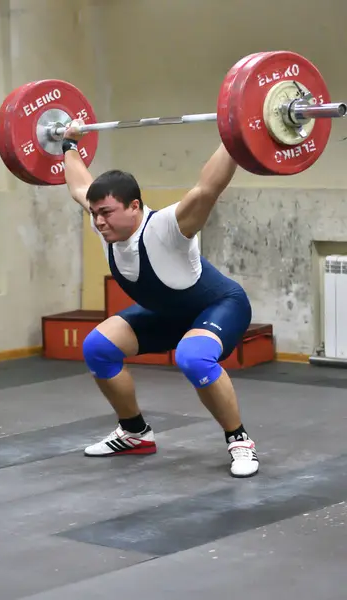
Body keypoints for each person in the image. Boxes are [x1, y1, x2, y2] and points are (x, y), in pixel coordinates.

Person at [62, 120, 259, 478]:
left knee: (193, 358)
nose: (99, 221)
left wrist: (237, 136)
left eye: (106, 212)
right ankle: (135, 432)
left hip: (219, 306)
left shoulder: (167, 227)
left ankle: (239, 440)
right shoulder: (103, 223)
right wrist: (68, 144)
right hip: (168, 314)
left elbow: (206, 189)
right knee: (98, 347)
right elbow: (79, 185)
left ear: (134, 206)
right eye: (95, 213)